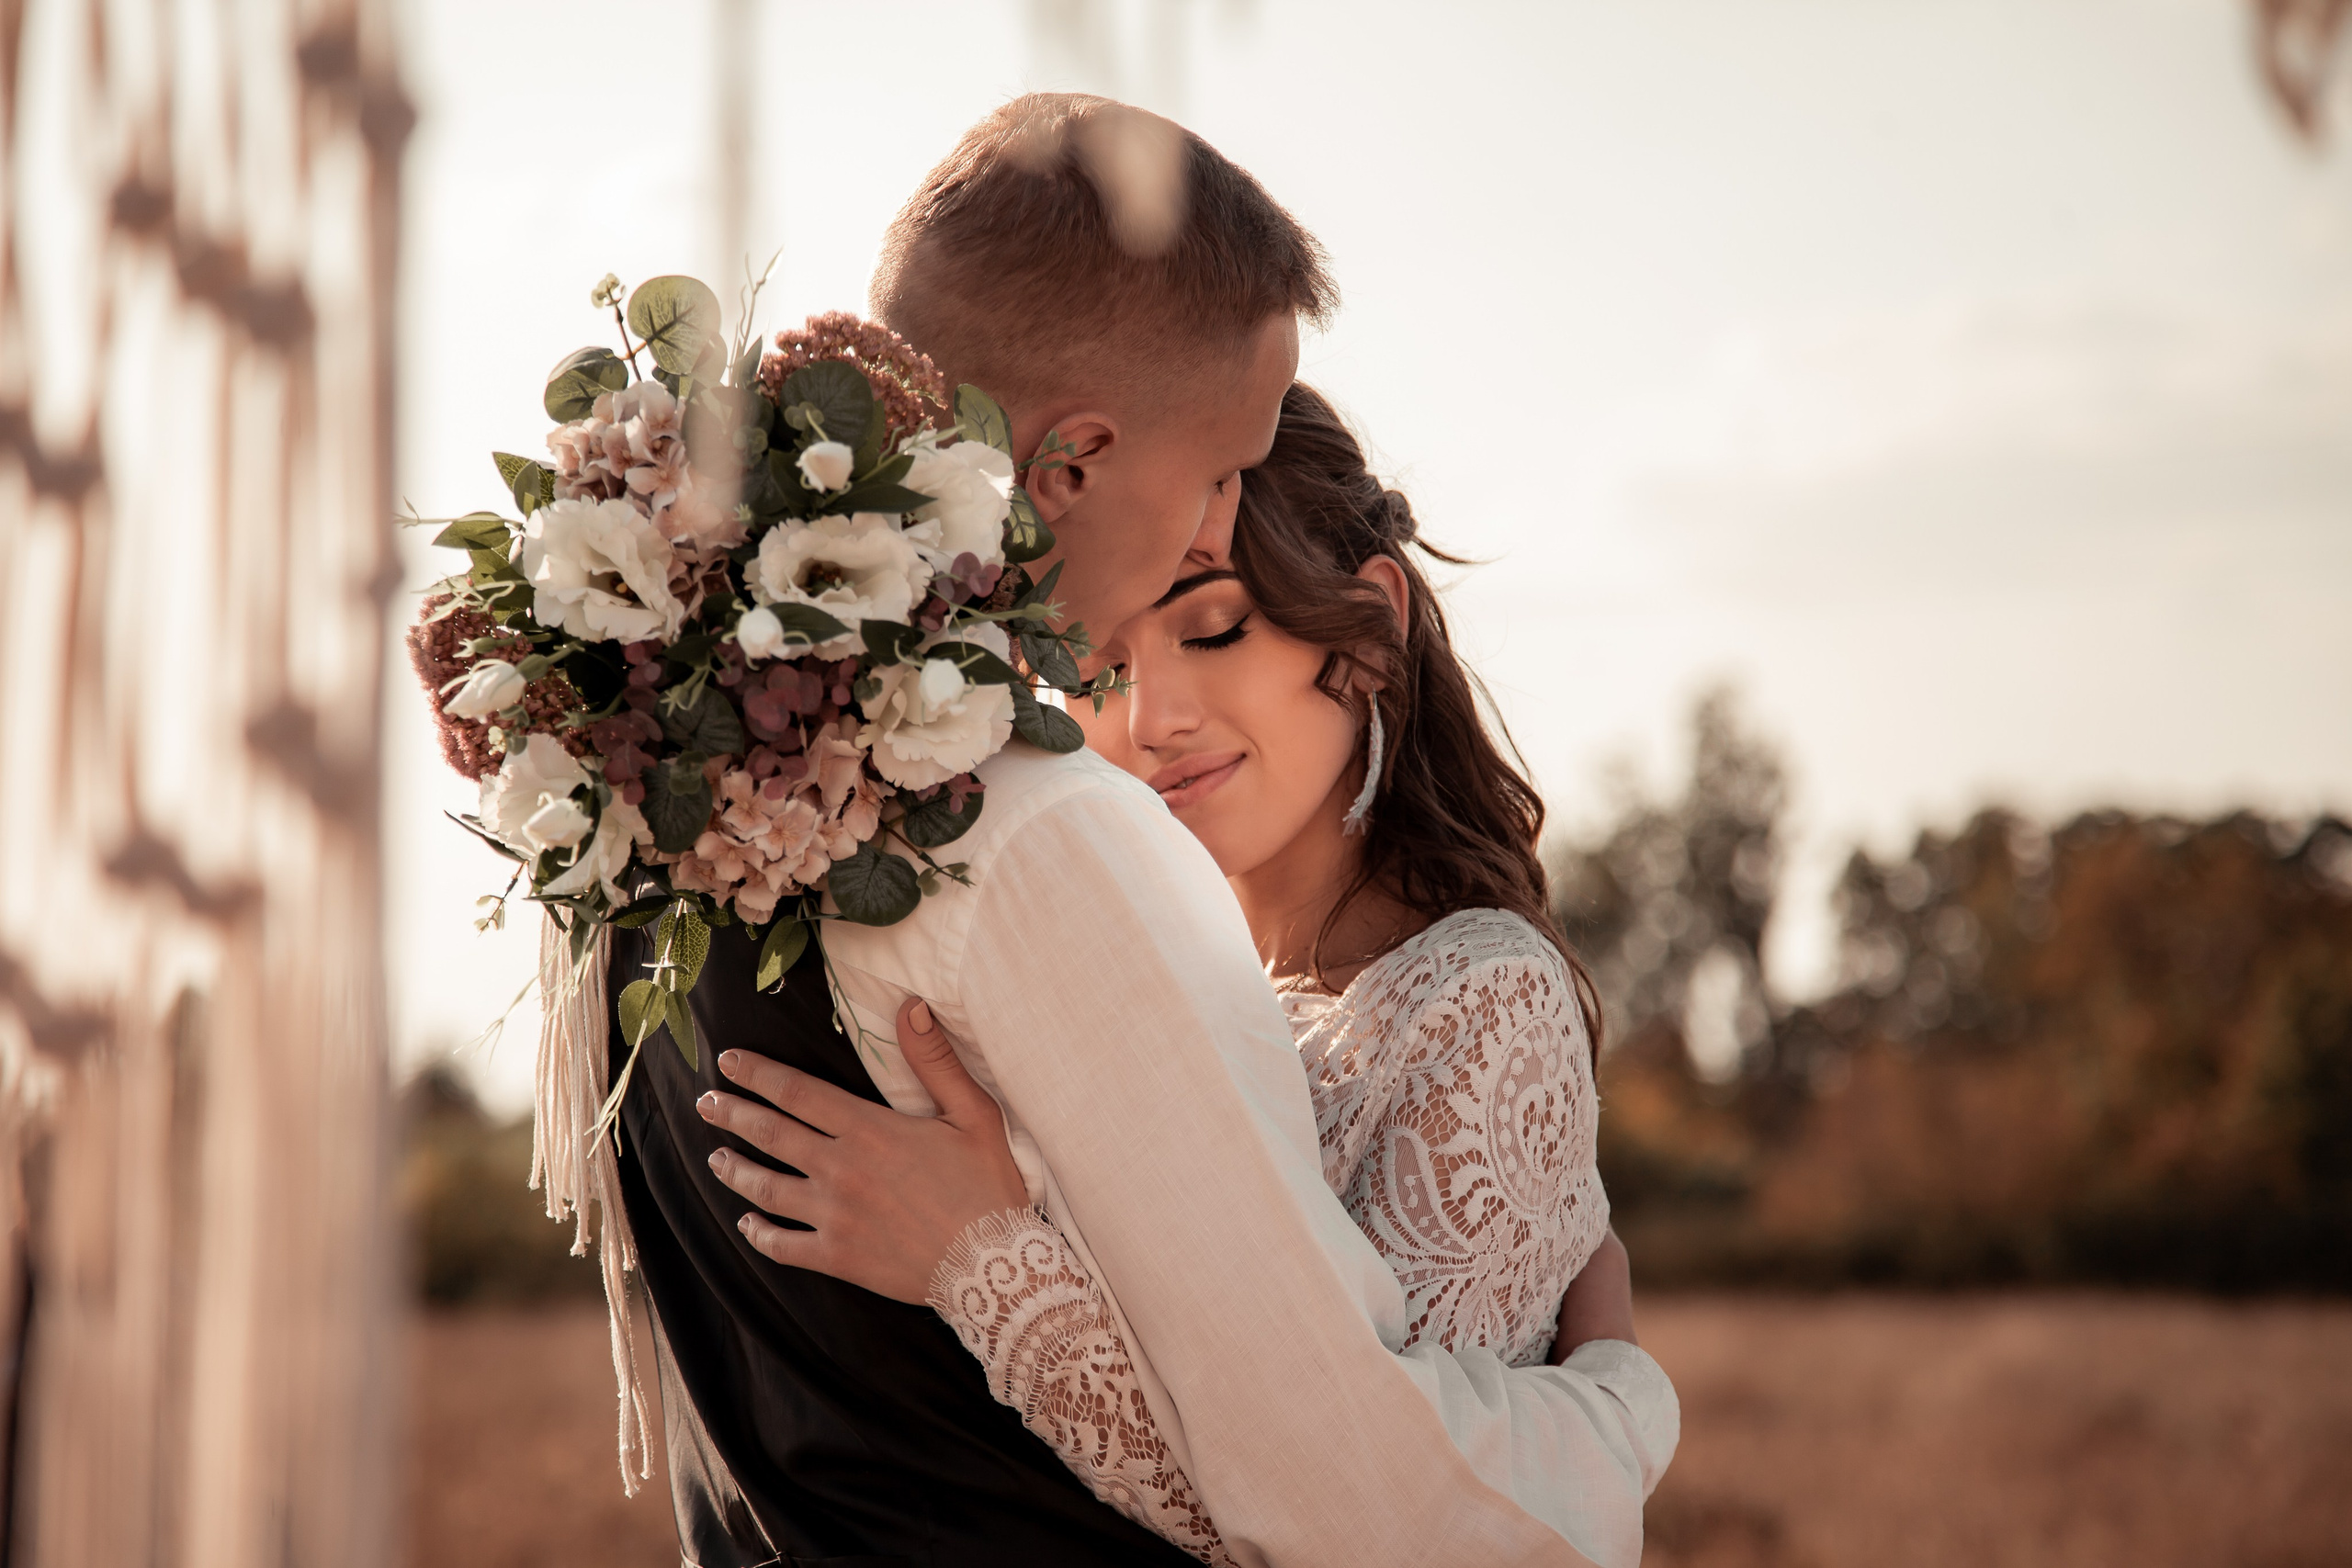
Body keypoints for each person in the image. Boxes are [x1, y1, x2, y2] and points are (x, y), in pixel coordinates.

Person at [609, 93, 1660, 1568]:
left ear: (1368, 636)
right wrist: (1615, 1412)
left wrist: (991, 1268)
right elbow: (1341, 1488)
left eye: (1221, 626)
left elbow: (1343, 1502)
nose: (1151, 710)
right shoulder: (1043, 867)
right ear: (1076, 459)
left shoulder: (1476, 995)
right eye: (1215, 478)